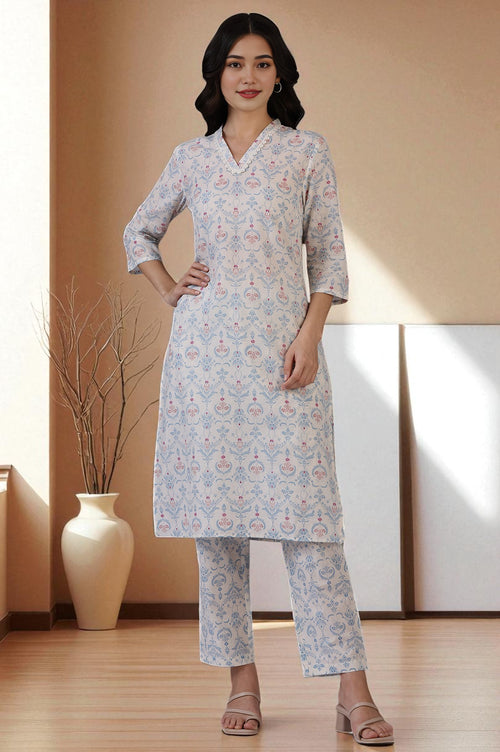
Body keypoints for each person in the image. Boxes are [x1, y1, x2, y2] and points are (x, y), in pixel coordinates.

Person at [123, 12, 394, 746]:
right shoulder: (191, 158)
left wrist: (310, 335)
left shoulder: (306, 153)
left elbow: (328, 257)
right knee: (218, 532)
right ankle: (241, 683)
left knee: (313, 528)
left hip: (284, 363)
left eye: (263, 63)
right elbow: (138, 231)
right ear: (217, 73)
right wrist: (170, 287)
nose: (249, 76)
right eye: (236, 63)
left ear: (280, 74)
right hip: (206, 365)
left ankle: (353, 691)